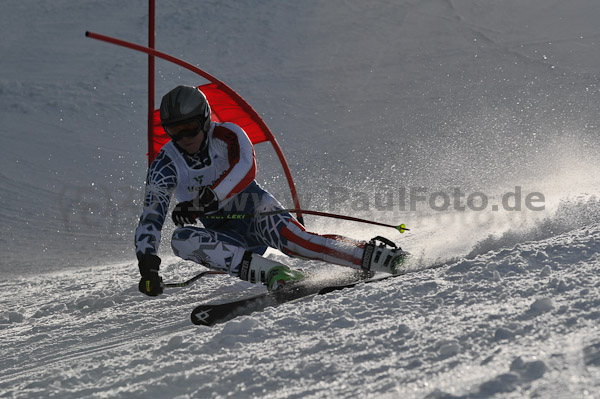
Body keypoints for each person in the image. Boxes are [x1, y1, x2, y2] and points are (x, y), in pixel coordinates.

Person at [135, 85, 406, 296]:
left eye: (190, 129)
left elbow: (245, 169)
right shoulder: (166, 163)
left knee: (298, 242)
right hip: (226, 233)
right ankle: (275, 273)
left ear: (204, 120)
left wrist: (203, 200)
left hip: (255, 210)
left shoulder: (227, 134)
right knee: (181, 239)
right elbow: (151, 215)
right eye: (174, 132)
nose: (184, 139)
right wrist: (147, 264)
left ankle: (380, 256)